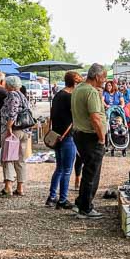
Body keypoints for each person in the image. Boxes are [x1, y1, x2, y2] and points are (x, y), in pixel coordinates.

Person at [71, 64, 108, 218]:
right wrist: (102, 138)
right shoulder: (90, 92)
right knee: (92, 173)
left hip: (79, 134)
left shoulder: (78, 89)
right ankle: (86, 208)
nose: (105, 80)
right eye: (104, 77)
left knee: (88, 170)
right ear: (97, 76)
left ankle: (81, 202)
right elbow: (95, 118)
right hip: (91, 136)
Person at [46, 71, 80, 209]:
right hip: (67, 136)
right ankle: (63, 199)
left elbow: (52, 114)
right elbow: (75, 117)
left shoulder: (58, 95)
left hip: (56, 135)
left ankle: (52, 197)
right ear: (75, 83)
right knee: (67, 170)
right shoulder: (70, 97)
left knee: (59, 168)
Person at [0, 76, 34, 198]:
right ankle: (20, 187)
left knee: (8, 158)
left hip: (14, 131)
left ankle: (8, 188)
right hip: (24, 130)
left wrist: (8, 128)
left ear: (9, 85)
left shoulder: (12, 95)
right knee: (20, 159)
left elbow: (13, 112)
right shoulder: (23, 95)